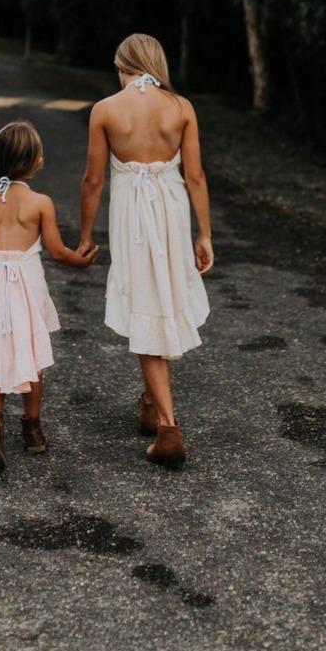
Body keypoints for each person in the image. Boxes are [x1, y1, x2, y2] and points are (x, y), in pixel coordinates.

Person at [78, 33, 213, 467]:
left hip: (132, 218)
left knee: (146, 305)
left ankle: (169, 428)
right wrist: (204, 234)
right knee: (163, 299)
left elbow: (93, 180)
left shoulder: (106, 110)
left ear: (123, 65)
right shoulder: (180, 107)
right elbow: (195, 177)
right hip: (172, 213)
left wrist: (85, 235)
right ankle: (150, 402)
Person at [0, 121, 98, 473]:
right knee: (31, 356)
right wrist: (80, 262)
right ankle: (32, 429)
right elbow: (55, 250)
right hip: (28, 289)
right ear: (33, 161)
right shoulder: (40, 203)